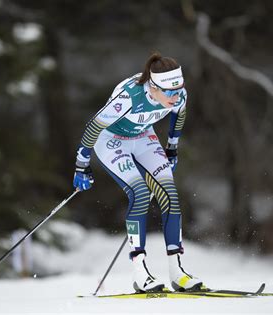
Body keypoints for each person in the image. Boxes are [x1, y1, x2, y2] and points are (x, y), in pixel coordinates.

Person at [73, 52, 202, 292]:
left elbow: (179, 115)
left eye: (179, 90)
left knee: (170, 197)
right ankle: (140, 273)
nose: (176, 97)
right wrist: (82, 163)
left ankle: (177, 272)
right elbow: (94, 125)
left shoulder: (178, 94)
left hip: (143, 137)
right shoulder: (129, 97)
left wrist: (172, 148)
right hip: (111, 140)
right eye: (170, 93)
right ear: (153, 87)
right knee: (140, 193)